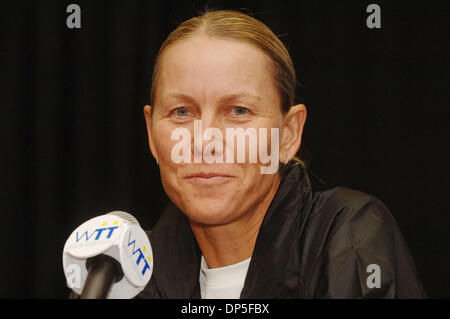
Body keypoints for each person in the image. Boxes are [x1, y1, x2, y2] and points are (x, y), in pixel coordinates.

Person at [137, 9, 426, 299]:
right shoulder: (120, 273)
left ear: (289, 134)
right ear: (151, 133)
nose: (204, 141)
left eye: (239, 111)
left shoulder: (345, 237)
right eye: (182, 112)